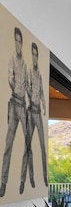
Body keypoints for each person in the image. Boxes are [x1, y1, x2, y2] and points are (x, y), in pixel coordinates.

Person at [1, 27, 28, 197]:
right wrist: (16, 87)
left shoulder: (25, 65)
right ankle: (3, 182)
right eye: (16, 40)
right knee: (8, 145)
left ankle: (23, 181)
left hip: (23, 106)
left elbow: (26, 85)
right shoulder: (11, 60)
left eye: (20, 41)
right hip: (14, 104)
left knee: (27, 146)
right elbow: (11, 80)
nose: (17, 44)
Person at [20, 42, 48, 193]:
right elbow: (25, 87)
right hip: (31, 113)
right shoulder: (29, 72)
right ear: (32, 55)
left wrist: (44, 106)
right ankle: (25, 179)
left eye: (37, 55)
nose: (35, 57)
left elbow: (43, 92)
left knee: (43, 148)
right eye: (34, 54)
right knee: (27, 148)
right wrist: (31, 95)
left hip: (39, 114)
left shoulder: (40, 74)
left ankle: (45, 178)